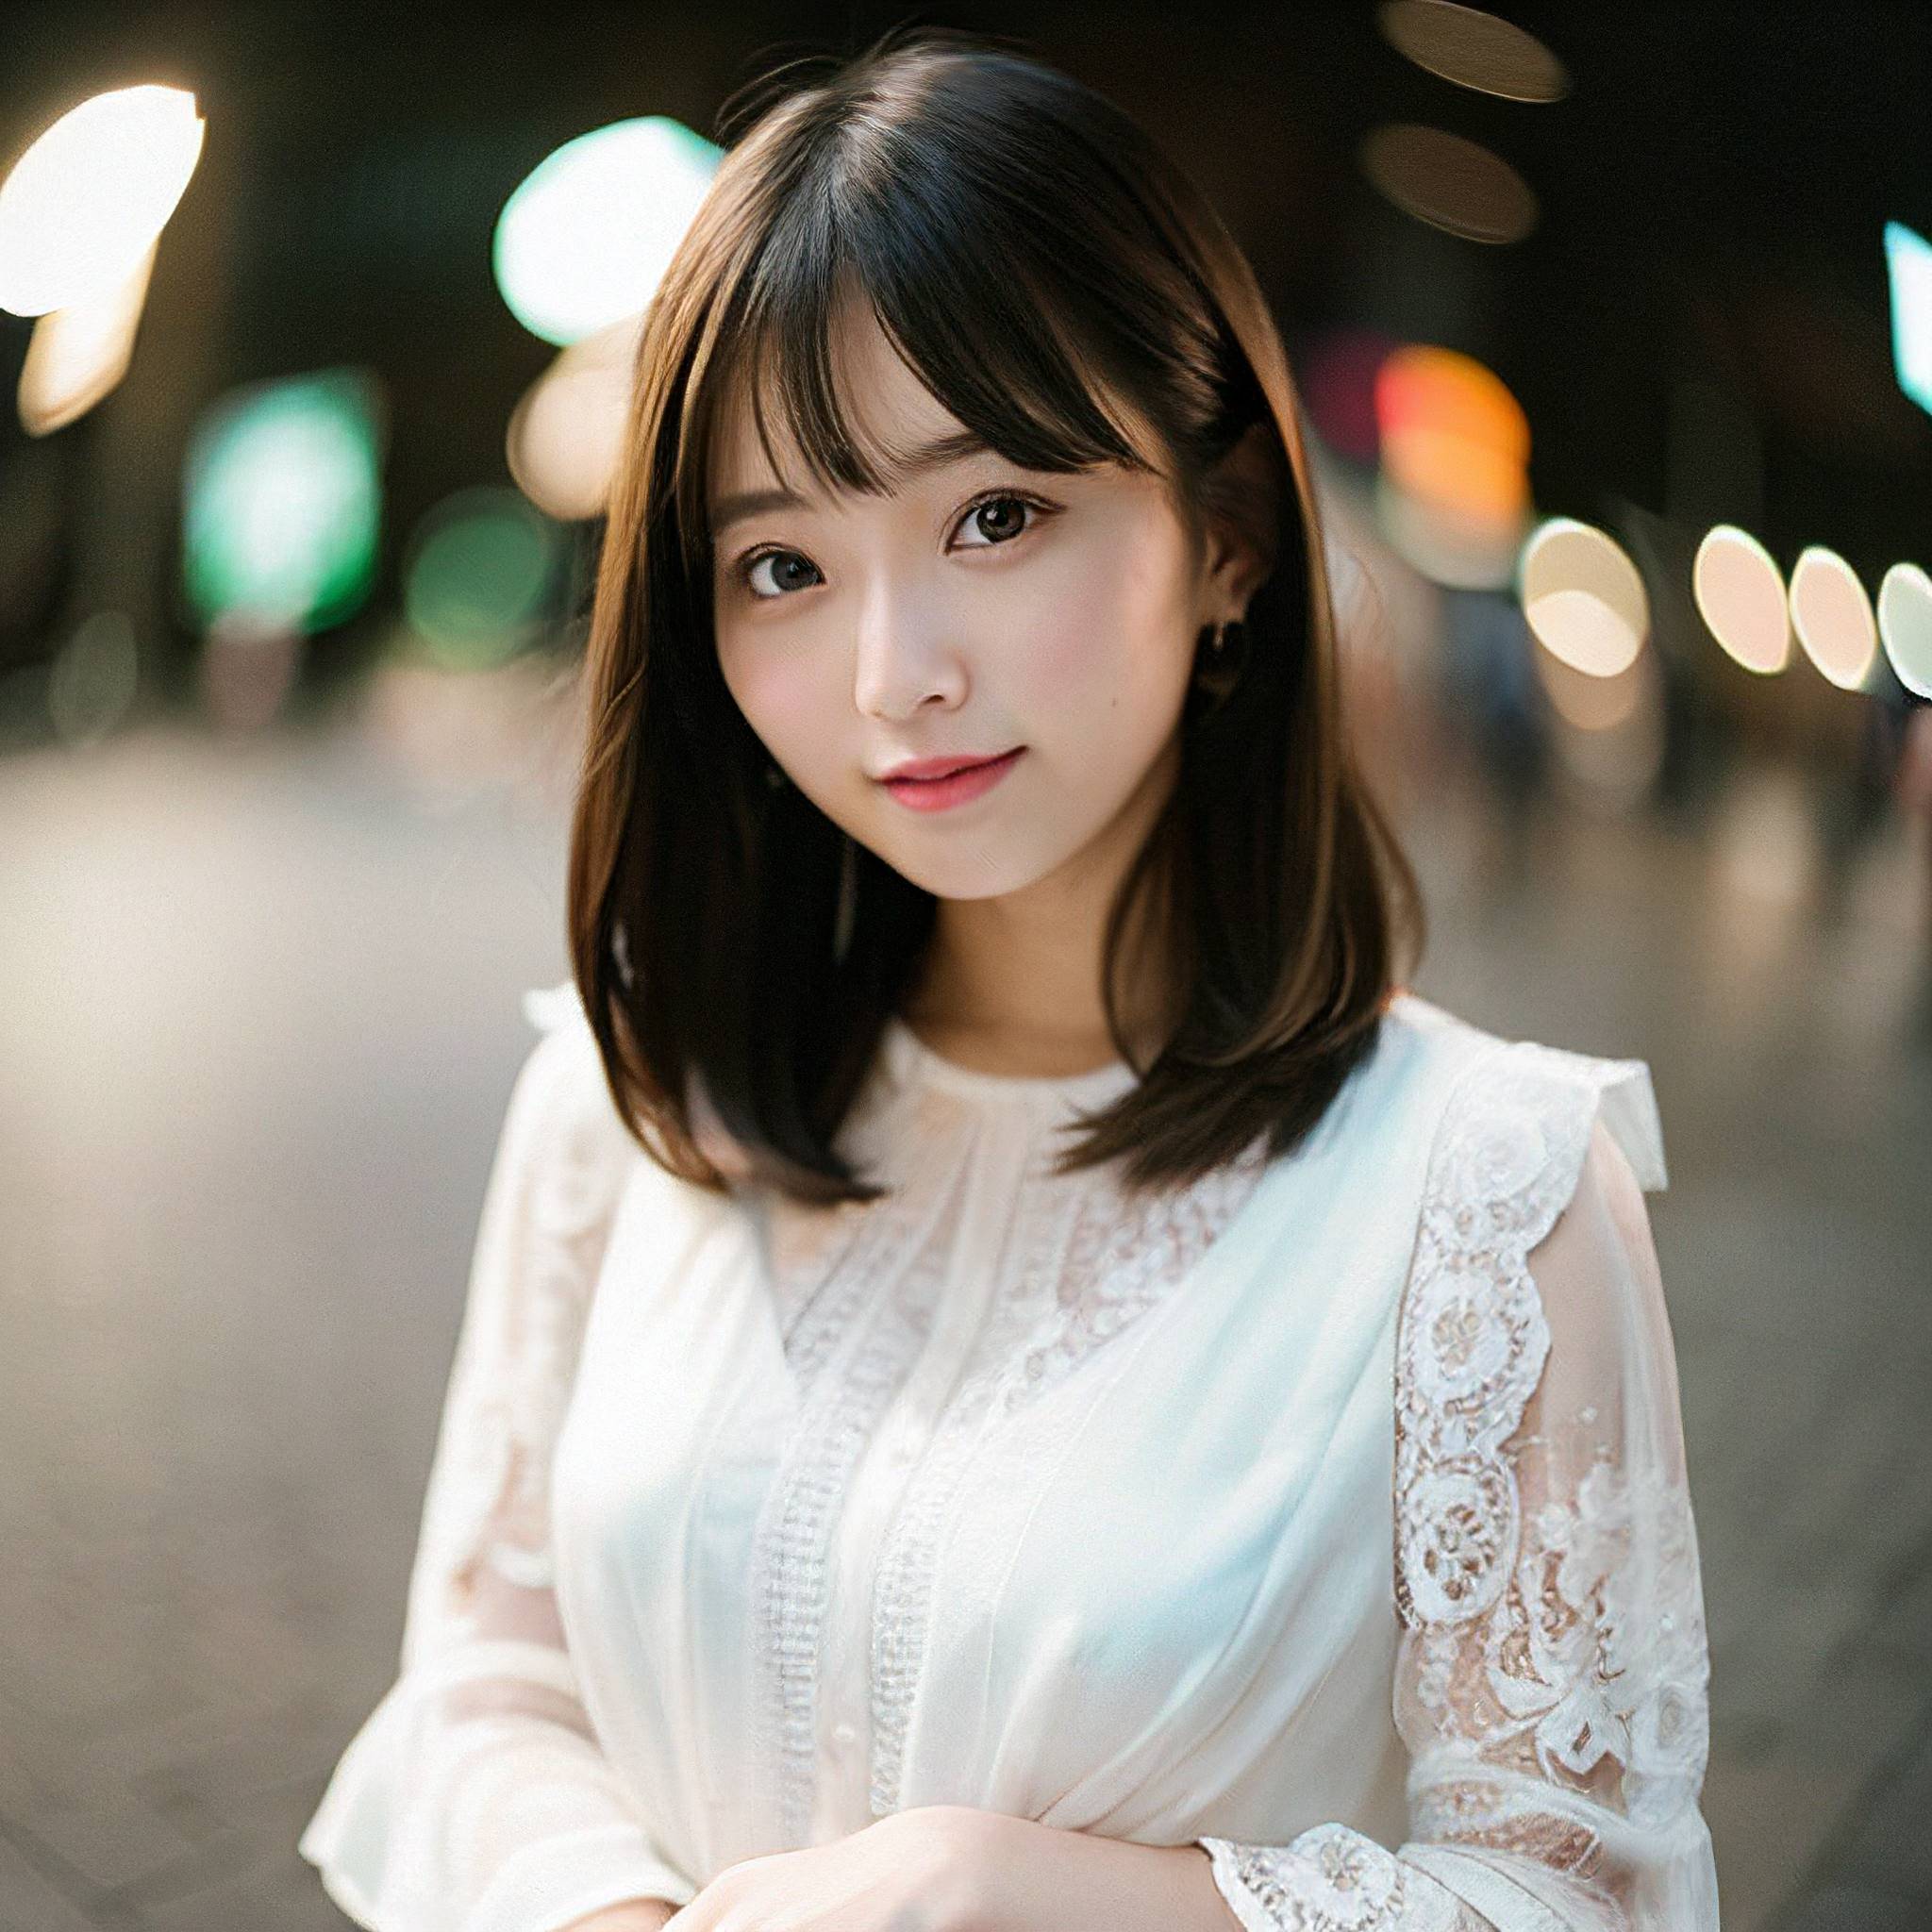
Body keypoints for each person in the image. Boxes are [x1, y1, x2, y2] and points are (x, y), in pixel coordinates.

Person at [299, 25, 1720, 1932]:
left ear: (1221, 537)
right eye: (782, 565)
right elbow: (487, 1686)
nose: (895, 673)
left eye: (993, 516)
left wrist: (1030, 1895)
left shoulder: (1489, 1205)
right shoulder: (624, 1107)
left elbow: (1586, 1901)